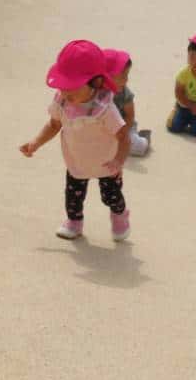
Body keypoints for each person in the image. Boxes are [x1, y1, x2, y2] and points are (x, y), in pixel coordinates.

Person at [20, 40, 131, 241]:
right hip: (77, 161)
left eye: (72, 87)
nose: (65, 93)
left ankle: (120, 214)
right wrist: (35, 143)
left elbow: (123, 136)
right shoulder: (62, 100)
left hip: (107, 162)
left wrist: (119, 161)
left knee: (111, 197)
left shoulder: (104, 109)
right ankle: (74, 222)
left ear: (96, 83)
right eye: (63, 87)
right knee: (73, 198)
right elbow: (54, 125)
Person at [103, 48, 151, 157]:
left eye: (127, 75)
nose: (126, 80)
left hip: (124, 126)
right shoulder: (95, 92)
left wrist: (122, 134)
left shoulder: (124, 92)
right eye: (123, 76)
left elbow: (130, 116)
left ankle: (145, 137)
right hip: (103, 127)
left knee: (138, 147)